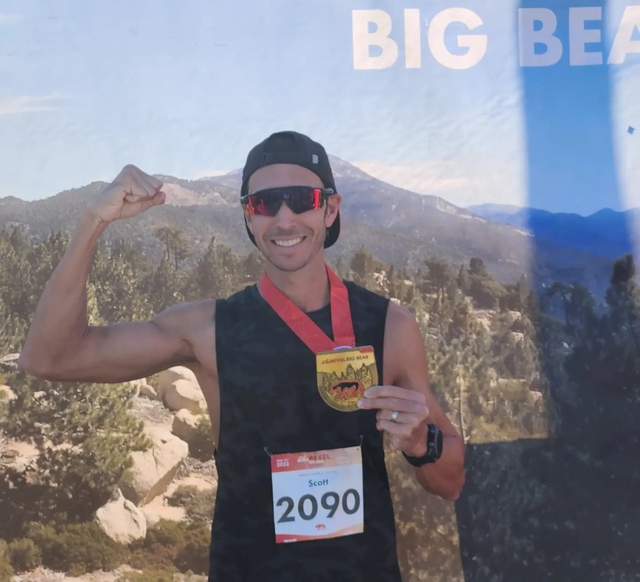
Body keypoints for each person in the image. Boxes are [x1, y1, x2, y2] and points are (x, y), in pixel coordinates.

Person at [18, 130, 465, 581]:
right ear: (249, 217)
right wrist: (92, 222)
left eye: (302, 199)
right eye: (265, 203)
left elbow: (450, 481)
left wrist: (420, 443)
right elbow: (50, 358)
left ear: (330, 209)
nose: (284, 219)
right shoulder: (208, 330)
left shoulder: (389, 327)